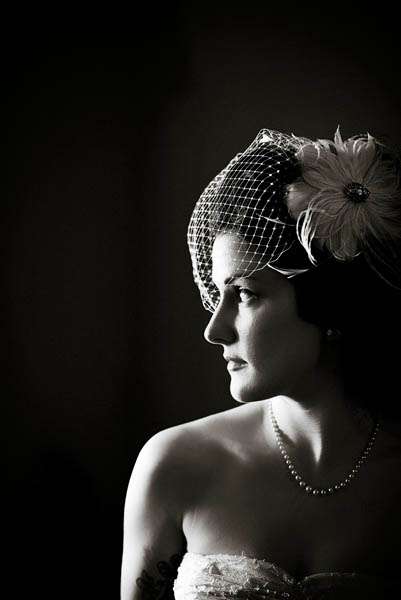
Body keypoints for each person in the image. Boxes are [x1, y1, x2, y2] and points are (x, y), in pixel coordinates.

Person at [120, 128, 401, 599]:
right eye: (218, 292)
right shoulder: (174, 466)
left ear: (330, 304)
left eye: (246, 294)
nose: (214, 329)